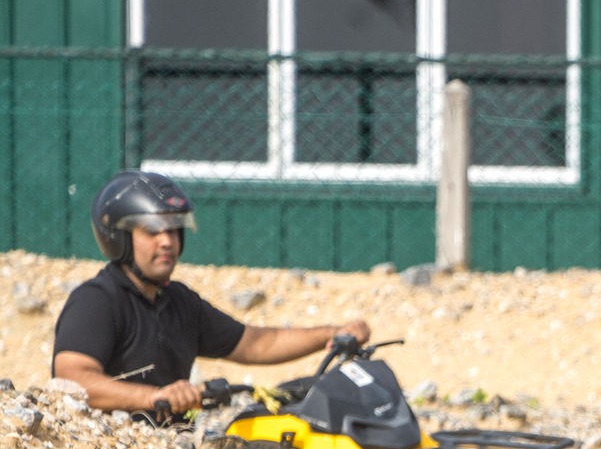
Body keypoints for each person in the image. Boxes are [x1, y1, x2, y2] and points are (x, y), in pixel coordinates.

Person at [51, 171, 372, 426]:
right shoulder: (96, 300)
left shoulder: (178, 301)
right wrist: (153, 397)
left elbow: (256, 343)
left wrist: (331, 334)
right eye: (152, 230)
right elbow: (73, 378)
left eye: (174, 229)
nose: (167, 241)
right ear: (119, 236)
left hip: (173, 444)